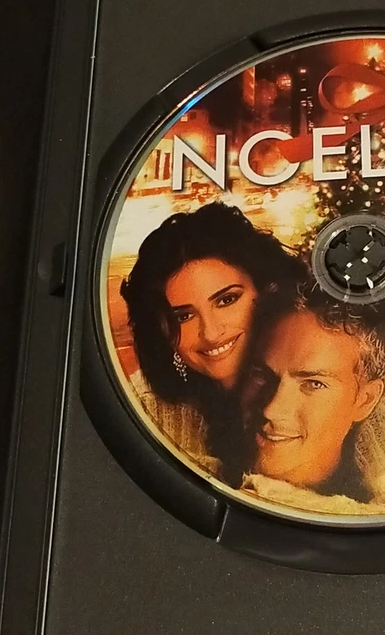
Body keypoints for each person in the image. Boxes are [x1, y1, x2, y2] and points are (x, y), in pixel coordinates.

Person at [120, 202, 306, 480]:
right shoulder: (147, 406)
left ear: (267, 290)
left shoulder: (345, 370)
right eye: (183, 317)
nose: (210, 332)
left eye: (227, 300)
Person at [240, 285, 385, 515]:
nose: (271, 409)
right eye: (262, 375)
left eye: (314, 383)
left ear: (365, 401)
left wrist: (264, 495)